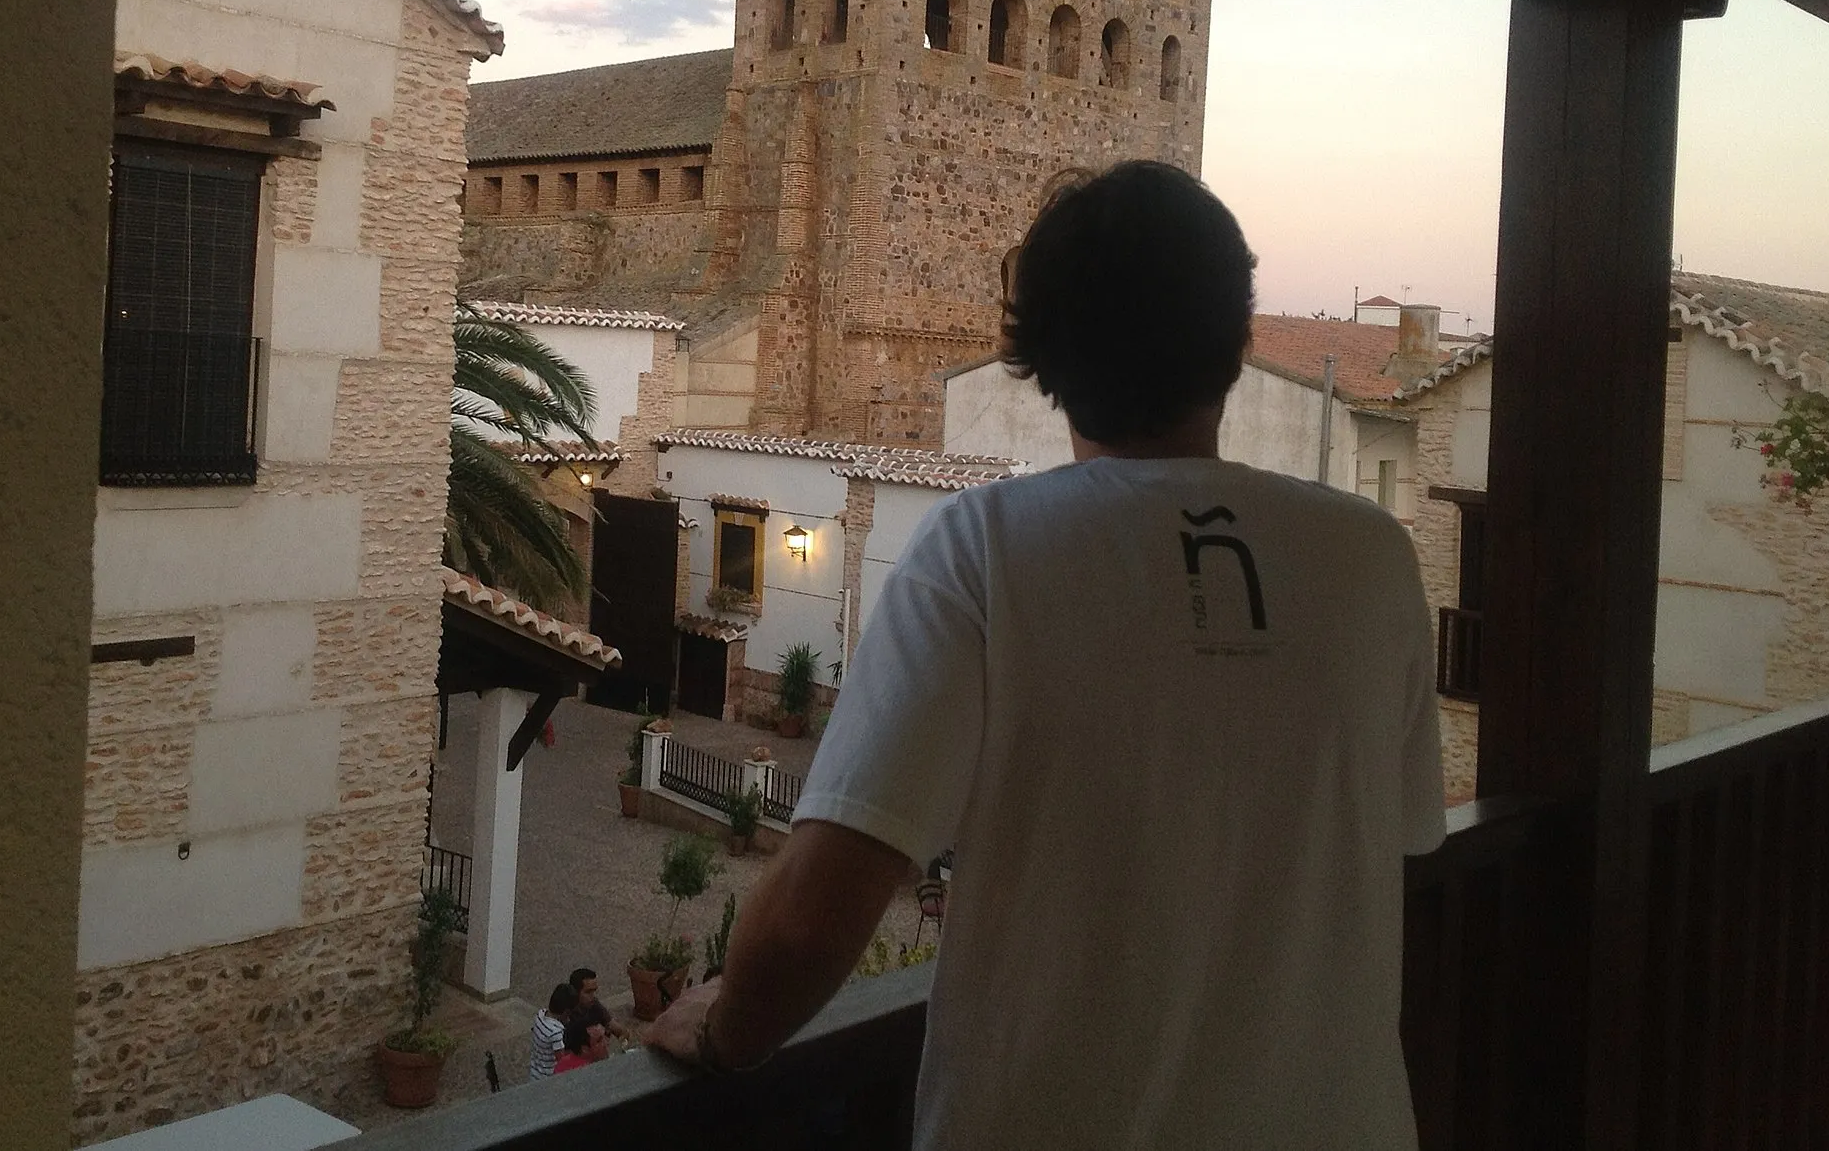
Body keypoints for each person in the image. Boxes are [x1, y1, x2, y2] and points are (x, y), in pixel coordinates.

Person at [646, 160, 1447, 1150]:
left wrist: (723, 1032)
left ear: (1037, 354)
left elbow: (818, 912)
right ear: (1237, 342)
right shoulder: (1370, 557)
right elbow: (1405, 844)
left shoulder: (981, 550)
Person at [568, 966, 630, 1042]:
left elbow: (621, 1031)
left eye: (594, 991)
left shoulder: (595, 1006)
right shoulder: (566, 1013)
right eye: (588, 992)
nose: (593, 996)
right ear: (575, 992)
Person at [527, 982, 575, 1081]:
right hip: (548, 1079)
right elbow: (561, 1060)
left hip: (534, 1072)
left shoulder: (539, 1015)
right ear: (566, 1011)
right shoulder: (556, 1032)